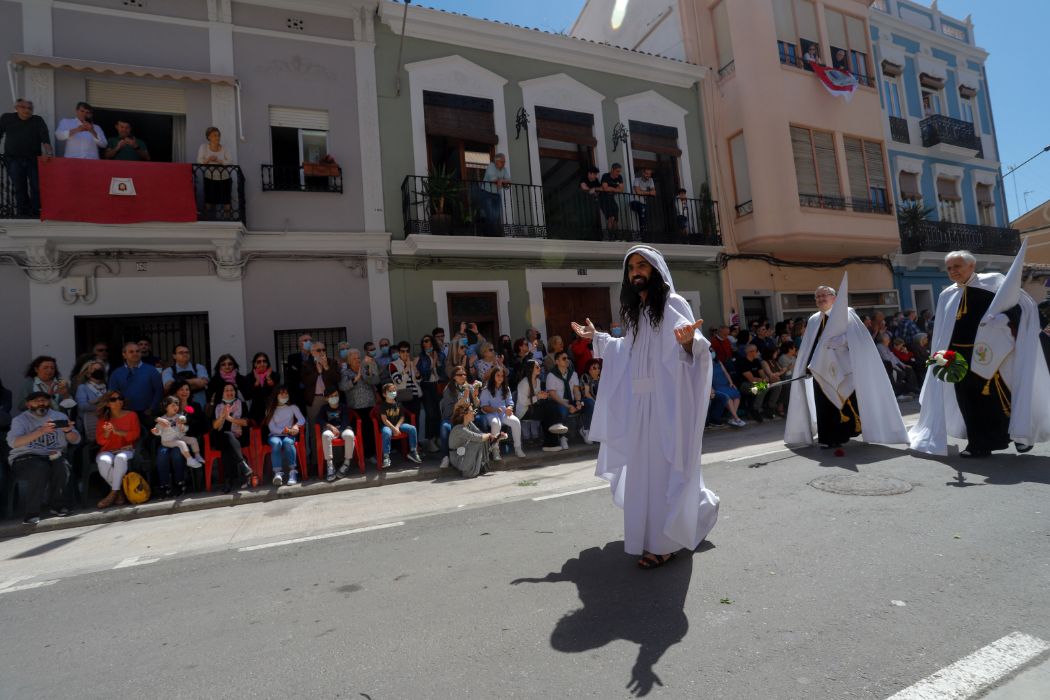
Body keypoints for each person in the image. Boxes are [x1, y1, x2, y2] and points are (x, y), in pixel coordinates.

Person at [572, 246, 718, 569]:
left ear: (655, 270)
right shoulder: (635, 314)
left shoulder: (673, 304)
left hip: (665, 404)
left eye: (642, 265)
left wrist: (687, 343)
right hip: (639, 407)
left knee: (664, 470)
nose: (636, 272)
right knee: (645, 473)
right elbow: (626, 352)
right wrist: (597, 337)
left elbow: (696, 347)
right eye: (631, 268)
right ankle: (692, 513)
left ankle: (664, 544)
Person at [910, 247, 1050, 457]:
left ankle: (1018, 435)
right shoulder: (947, 295)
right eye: (949, 268)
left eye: (957, 266)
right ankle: (978, 445)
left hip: (993, 355)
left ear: (971, 266)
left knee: (1001, 399)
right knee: (967, 401)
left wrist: (1006, 318)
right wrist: (939, 355)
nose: (952, 271)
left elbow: (1023, 306)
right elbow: (942, 331)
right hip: (957, 358)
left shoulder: (993, 283)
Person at [785, 278, 908, 449]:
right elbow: (809, 345)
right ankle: (828, 438)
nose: (820, 299)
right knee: (823, 404)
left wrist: (843, 340)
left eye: (824, 296)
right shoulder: (814, 319)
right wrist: (806, 364)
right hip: (820, 371)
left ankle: (845, 434)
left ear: (834, 298)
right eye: (817, 297)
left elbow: (860, 340)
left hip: (844, 371)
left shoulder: (847, 315)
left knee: (844, 403)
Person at [6, 391, 80, 524]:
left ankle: (58, 506)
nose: (41, 403)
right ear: (28, 404)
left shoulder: (59, 416)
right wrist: (41, 431)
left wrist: (68, 431)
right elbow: (14, 442)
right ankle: (31, 513)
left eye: (44, 400)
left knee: (62, 465)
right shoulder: (20, 420)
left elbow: (76, 440)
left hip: (54, 454)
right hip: (25, 457)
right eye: (36, 400)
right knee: (40, 467)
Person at [0, 98, 53, 216]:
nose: (27, 110)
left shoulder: (37, 120)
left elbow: (45, 139)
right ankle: (22, 214)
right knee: (20, 188)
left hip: (33, 159)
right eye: (23, 107)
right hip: (13, 159)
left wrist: (48, 153)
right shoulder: (7, 118)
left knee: (36, 187)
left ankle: (36, 213)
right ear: (16, 108)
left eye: (30, 108)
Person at [94, 390, 140, 508]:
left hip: (127, 449)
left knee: (120, 458)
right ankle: (119, 492)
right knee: (104, 461)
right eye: (113, 399)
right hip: (108, 450)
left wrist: (116, 431)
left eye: (120, 398)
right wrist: (107, 434)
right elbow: (100, 441)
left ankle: (113, 493)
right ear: (108, 404)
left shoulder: (131, 415)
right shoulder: (103, 419)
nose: (118, 401)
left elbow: (135, 435)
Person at [515, 359, 569, 452]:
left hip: (533, 408)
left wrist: (542, 396)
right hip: (524, 412)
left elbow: (537, 397)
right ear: (531, 369)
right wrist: (538, 396)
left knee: (550, 405)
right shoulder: (524, 383)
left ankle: (551, 443)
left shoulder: (538, 381)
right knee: (548, 411)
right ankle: (552, 441)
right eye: (537, 367)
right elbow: (523, 402)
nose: (539, 368)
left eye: (539, 366)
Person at [108, 341, 163, 429]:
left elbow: (159, 391)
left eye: (137, 351)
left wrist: (151, 409)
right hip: (125, 414)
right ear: (124, 354)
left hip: (147, 414)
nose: (135, 353)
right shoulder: (116, 373)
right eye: (131, 351)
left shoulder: (151, 370)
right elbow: (112, 394)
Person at [210, 382, 253, 493]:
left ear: (235, 392)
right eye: (226, 390)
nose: (229, 392)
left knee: (227, 447)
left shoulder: (241, 404)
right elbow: (215, 426)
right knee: (227, 435)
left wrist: (230, 418)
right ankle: (242, 464)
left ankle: (228, 482)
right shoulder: (218, 405)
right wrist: (222, 416)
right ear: (222, 393)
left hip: (238, 437)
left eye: (232, 390)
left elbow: (245, 423)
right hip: (219, 436)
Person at [340, 349, 381, 463]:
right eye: (354, 358)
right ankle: (361, 456)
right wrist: (355, 379)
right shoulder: (345, 373)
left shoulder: (365, 369)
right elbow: (343, 387)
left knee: (371, 431)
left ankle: (371, 454)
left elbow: (376, 380)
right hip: (356, 408)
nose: (357, 360)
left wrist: (371, 367)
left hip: (370, 405)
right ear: (349, 361)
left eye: (358, 358)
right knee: (360, 433)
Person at [439, 367, 482, 467]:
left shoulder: (469, 387)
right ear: (454, 377)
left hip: (468, 417)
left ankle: (484, 450)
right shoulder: (448, 389)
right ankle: (445, 457)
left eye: (464, 374)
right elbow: (449, 411)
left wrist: (475, 396)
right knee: (445, 427)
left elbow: (477, 406)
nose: (463, 376)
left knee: (482, 420)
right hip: (453, 417)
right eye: (460, 375)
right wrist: (460, 403)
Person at [265, 386, 306, 486]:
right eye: (281, 393)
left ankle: (292, 471)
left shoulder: (293, 407)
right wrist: (285, 431)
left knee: (287, 442)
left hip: (289, 435)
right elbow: (272, 428)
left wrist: (296, 426)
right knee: (276, 443)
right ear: (276, 395)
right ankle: (277, 473)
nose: (284, 396)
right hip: (275, 435)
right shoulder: (270, 409)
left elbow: (302, 419)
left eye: (286, 393)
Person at [479, 367, 523, 459]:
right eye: (498, 375)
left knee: (516, 422)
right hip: (490, 414)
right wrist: (495, 409)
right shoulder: (486, 389)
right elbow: (484, 407)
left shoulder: (506, 388)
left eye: (502, 376)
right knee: (495, 423)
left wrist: (509, 408)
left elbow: (510, 403)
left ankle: (518, 448)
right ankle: (495, 450)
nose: (500, 378)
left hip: (503, 414)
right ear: (493, 376)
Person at [448, 402, 500, 478]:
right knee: (478, 441)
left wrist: (495, 436)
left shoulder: (469, 424)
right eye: (472, 411)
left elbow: (480, 433)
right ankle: (468, 472)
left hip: (465, 452)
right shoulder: (459, 429)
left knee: (481, 440)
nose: (474, 413)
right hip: (458, 458)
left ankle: (481, 466)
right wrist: (489, 435)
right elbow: (479, 437)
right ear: (465, 414)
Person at [377, 383, 422, 468]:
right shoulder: (383, 406)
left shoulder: (399, 404)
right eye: (390, 391)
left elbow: (402, 417)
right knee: (386, 433)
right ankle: (386, 456)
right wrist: (393, 429)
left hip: (398, 425)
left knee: (412, 428)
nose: (393, 392)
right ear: (384, 394)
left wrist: (397, 427)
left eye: (394, 390)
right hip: (387, 426)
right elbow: (384, 420)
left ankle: (413, 451)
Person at [316, 385, 356, 480]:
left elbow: (345, 420)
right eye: (331, 396)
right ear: (326, 398)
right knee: (325, 435)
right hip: (330, 430)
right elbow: (318, 419)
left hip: (343, 429)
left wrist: (340, 431)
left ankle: (346, 463)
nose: (334, 398)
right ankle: (330, 466)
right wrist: (329, 426)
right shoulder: (324, 408)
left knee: (350, 435)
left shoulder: (343, 407)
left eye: (336, 395)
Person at [545, 351, 583, 450]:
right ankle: (562, 437)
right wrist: (567, 405)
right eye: (564, 358)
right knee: (562, 409)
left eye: (567, 358)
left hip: (572, 401)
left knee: (589, 404)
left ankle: (586, 430)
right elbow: (552, 395)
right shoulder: (551, 375)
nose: (567, 360)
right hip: (558, 402)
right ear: (557, 362)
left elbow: (576, 390)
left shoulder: (573, 374)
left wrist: (578, 401)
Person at [152, 397, 203, 469]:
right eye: (173, 405)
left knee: (193, 440)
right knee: (181, 443)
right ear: (166, 407)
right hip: (168, 440)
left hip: (179, 437)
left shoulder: (179, 417)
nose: (176, 407)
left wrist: (183, 428)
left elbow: (185, 428)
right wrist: (156, 431)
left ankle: (197, 455)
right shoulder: (162, 419)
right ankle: (189, 459)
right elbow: (159, 430)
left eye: (177, 405)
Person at [416, 334, 447, 452]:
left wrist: (437, 362)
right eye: (423, 342)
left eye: (427, 341)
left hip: (438, 385)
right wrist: (432, 363)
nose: (424, 343)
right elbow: (424, 375)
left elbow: (443, 372)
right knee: (430, 413)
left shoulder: (441, 355)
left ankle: (439, 437)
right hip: (427, 386)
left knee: (439, 412)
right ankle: (430, 439)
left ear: (432, 342)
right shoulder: (421, 357)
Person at [196, 126, 235, 217]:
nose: (217, 137)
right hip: (210, 177)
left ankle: (227, 221)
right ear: (209, 137)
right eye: (214, 135)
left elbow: (230, 161)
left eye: (218, 135)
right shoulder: (204, 147)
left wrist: (219, 161)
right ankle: (206, 221)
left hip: (224, 178)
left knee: (226, 201)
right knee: (209, 201)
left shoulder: (225, 149)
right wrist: (208, 159)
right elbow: (199, 160)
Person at [737, 344, 780, 421]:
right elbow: (751, 379)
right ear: (751, 352)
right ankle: (755, 409)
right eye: (757, 351)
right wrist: (764, 381)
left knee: (777, 385)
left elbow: (762, 374)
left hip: (758, 383)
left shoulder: (756, 361)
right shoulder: (742, 362)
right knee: (764, 387)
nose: (758, 352)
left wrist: (767, 378)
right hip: (745, 386)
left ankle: (770, 407)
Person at [710, 353, 746, 428]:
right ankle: (736, 418)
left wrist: (731, 383)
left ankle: (733, 418)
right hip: (717, 386)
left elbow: (726, 373)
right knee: (728, 398)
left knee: (736, 395)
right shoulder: (705, 364)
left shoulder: (719, 362)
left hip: (725, 384)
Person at [389, 341, 423, 417]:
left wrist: (417, 372)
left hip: (415, 396)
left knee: (416, 420)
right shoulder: (393, 364)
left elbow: (419, 380)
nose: (405, 353)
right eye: (402, 351)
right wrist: (407, 368)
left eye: (407, 351)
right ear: (399, 352)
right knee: (406, 421)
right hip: (403, 396)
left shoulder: (411, 363)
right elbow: (398, 381)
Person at [480, 153, 510, 235]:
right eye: (502, 161)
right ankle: (489, 234)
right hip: (487, 193)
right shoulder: (491, 166)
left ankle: (490, 234)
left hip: (497, 195)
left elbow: (508, 180)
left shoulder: (504, 169)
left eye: (504, 161)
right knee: (490, 215)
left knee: (496, 216)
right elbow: (492, 179)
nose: (504, 163)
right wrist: (501, 180)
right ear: (496, 161)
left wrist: (500, 181)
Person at [245, 352, 278, 427]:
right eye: (259, 362)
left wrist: (268, 378)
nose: (262, 364)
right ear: (254, 364)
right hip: (255, 412)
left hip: (271, 411)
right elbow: (248, 396)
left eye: (264, 361)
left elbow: (270, 393)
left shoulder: (275, 376)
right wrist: (257, 382)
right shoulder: (249, 377)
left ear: (267, 363)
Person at [285, 333, 313, 411]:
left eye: (310, 340)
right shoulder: (292, 358)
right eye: (306, 340)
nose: (309, 342)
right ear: (300, 343)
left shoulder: (315, 358)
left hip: (312, 396)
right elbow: (289, 377)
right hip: (296, 395)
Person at [578, 358, 602, 442]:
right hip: (585, 401)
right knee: (592, 403)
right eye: (594, 368)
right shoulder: (585, 377)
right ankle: (585, 429)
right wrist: (596, 402)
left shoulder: (601, 378)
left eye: (598, 368)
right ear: (589, 369)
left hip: (597, 402)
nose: (597, 370)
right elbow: (586, 393)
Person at [598, 163, 625, 236]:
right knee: (610, 217)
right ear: (612, 170)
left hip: (611, 198)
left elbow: (622, 189)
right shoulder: (606, 176)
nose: (618, 173)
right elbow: (605, 188)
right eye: (617, 171)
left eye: (619, 171)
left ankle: (616, 235)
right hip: (604, 198)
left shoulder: (619, 177)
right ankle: (610, 236)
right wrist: (615, 189)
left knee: (616, 217)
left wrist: (611, 189)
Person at [629, 167, 656, 233]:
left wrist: (643, 192)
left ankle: (643, 229)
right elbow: (638, 192)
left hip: (643, 203)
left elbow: (654, 193)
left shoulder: (651, 180)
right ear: (643, 173)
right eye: (647, 173)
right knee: (642, 210)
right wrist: (649, 192)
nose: (648, 175)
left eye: (650, 174)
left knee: (643, 212)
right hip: (634, 201)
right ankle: (643, 229)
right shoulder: (637, 180)